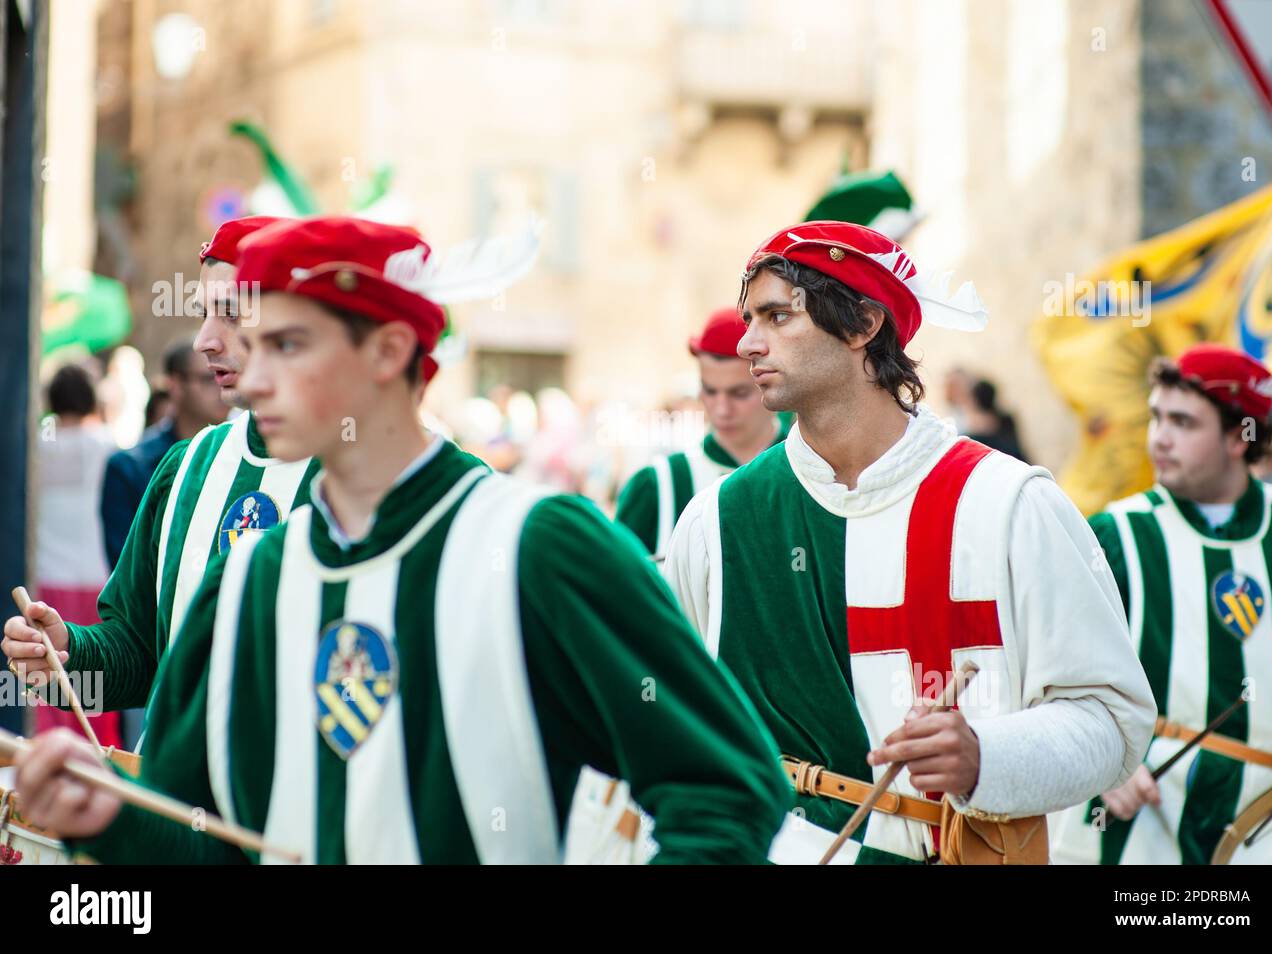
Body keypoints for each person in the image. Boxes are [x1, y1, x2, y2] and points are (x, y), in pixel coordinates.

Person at [14, 216, 790, 864]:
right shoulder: (246, 583)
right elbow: (203, 839)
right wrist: (104, 815)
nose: (250, 380)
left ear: (387, 352)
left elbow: (725, 788)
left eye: (286, 345)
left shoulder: (541, 547)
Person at [663, 220, 1157, 864]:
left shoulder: (1010, 505)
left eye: (778, 317)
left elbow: (1112, 721)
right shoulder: (716, 524)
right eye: (749, 318)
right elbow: (671, 719)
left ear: (865, 324)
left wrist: (985, 757)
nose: (750, 343)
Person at [2, 216, 317, 731]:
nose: (205, 341)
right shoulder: (187, 467)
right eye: (204, 315)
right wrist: (69, 652)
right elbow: (141, 649)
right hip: (167, 806)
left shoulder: (356, 478)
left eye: (232, 313)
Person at [1052, 344, 1272, 864]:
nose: (1159, 438)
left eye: (1184, 422)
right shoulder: (1114, 534)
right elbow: (1047, 675)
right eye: (1156, 417)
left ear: (1239, 437)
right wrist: (1101, 761)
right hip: (1142, 822)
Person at [616, 307, 787, 560]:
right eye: (709, 391)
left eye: (739, 393)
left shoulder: (814, 470)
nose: (721, 409)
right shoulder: (659, 484)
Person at [29, 364, 122, 749]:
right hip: (97, 574)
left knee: (45, 674)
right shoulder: (107, 444)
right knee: (94, 679)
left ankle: (49, 751)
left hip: (48, 575)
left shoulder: (38, 444)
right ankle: (96, 756)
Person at [100, 338, 229, 568]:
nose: (221, 386)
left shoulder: (249, 456)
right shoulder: (129, 466)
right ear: (175, 385)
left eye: (226, 374)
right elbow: (126, 572)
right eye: (210, 378)